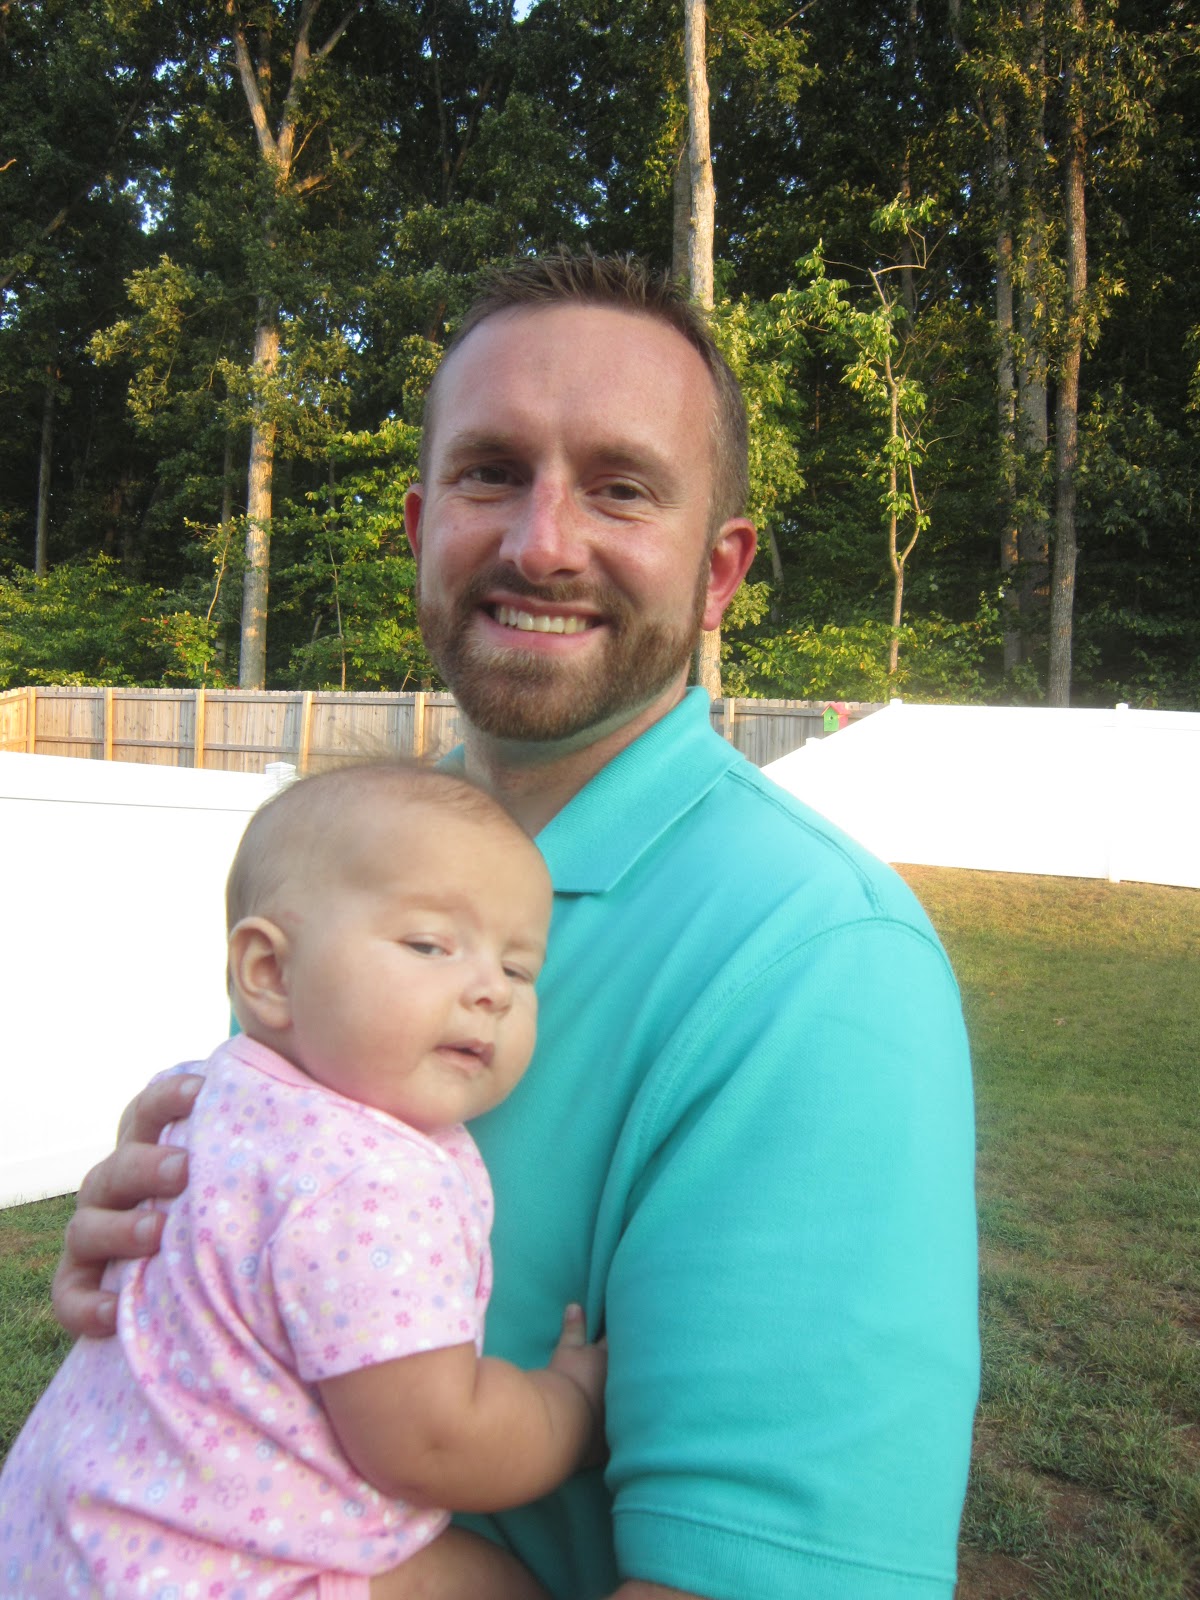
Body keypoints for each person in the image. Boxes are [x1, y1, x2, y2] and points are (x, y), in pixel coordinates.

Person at [50, 252, 980, 1600]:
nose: (542, 542)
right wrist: (158, 1270)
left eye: (621, 487)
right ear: (421, 524)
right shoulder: (357, 860)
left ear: (719, 572)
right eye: (491, 473)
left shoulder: (820, 964)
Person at [2, 763, 606, 1600]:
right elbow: (431, 1442)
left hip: (67, 1528)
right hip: (217, 1574)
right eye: (429, 945)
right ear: (270, 972)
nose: (489, 992)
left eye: (518, 969)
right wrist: (569, 1407)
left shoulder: (200, 1095)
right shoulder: (372, 1179)